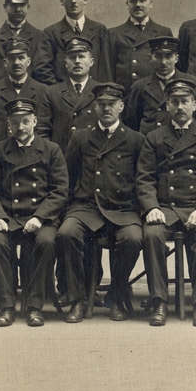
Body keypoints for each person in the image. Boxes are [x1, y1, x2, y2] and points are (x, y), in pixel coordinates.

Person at [136, 78, 196, 325]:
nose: (179, 107)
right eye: (174, 102)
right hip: (165, 208)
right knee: (152, 234)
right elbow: (144, 179)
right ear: (167, 106)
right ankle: (158, 302)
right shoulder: (154, 137)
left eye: (184, 101)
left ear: (194, 105)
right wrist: (151, 207)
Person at [56, 83, 146, 322]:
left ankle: (117, 295)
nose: (107, 109)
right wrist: (65, 211)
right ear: (95, 107)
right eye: (102, 104)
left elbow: (143, 180)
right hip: (87, 207)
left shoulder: (136, 140)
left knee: (133, 238)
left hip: (123, 208)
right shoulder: (81, 137)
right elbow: (68, 177)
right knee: (67, 233)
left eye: (112, 104)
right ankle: (78, 299)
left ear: (121, 107)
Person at [0, 99, 70, 327]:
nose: (21, 127)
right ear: (8, 124)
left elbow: (60, 190)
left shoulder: (51, 150)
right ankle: (6, 306)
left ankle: (34, 307)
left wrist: (40, 217)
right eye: (15, 122)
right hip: (8, 216)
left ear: (35, 122)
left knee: (47, 242)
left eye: (26, 121)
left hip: (40, 217)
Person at [0, 37, 53, 143]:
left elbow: (45, 130)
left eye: (21, 58)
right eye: (11, 58)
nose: (16, 62)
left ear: (28, 61)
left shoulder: (43, 91)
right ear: (5, 62)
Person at [124, 36, 196, 137]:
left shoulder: (192, 82)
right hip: (151, 143)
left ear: (176, 58)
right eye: (158, 56)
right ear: (150, 58)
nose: (163, 62)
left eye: (168, 56)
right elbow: (132, 124)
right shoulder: (140, 87)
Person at [42, 0, 111, 84]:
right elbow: (43, 69)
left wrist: (100, 91)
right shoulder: (51, 33)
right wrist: (60, 91)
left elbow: (106, 69)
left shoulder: (99, 30)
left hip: (94, 92)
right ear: (62, 1)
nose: (73, 1)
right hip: (62, 93)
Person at [109, 0, 172, 92]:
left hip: (154, 95)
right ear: (127, 4)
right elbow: (108, 71)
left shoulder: (163, 32)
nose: (138, 5)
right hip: (125, 96)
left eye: (142, 0)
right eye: (133, 1)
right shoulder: (114, 33)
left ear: (150, 3)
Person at [46, 35, 100, 149]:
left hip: (93, 154)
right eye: (72, 57)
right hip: (62, 155)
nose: (77, 61)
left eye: (81, 56)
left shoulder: (100, 91)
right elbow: (43, 130)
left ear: (91, 62)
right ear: (66, 63)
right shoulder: (52, 92)